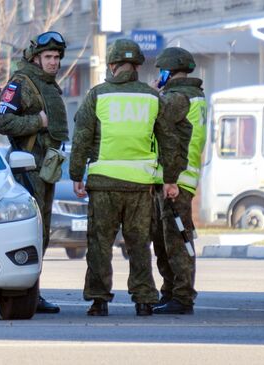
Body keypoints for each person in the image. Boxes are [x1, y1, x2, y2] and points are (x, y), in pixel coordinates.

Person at [69, 39, 182, 317]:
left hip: (104, 184)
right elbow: (169, 140)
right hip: (140, 187)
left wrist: (76, 174)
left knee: (100, 243)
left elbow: (82, 137)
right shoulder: (152, 97)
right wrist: (170, 178)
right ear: (137, 66)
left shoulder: (98, 95)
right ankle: (144, 299)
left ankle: (99, 300)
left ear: (112, 65)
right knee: (139, 243)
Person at [0, 31, 69, 314]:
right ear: (36, 58)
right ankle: (26, 294)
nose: (54, 62)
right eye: (48, 57)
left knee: (43, 234)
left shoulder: (49, 84)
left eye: (57, 58)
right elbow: (2, 121)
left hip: (46, 168)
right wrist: (36, 121)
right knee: (32, 232)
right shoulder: (20, 83)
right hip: (27, 169)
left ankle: (33, 293)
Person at [149, 47, 206, 315]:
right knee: (170, 238)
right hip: (183, 177)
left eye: (160, 71)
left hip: (176, 179)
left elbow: (154, 116)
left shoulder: (177, 97)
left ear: (167, 72)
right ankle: (171, 292)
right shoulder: (195, 96)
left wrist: (152, 92)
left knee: (176, 241)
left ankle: (182, 297)